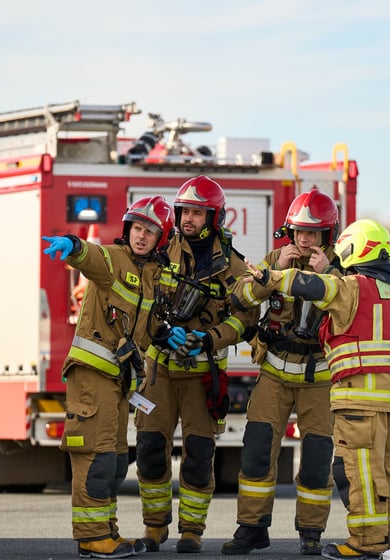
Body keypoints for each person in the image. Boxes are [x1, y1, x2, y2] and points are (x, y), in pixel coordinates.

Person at [243, 218, 390, 560]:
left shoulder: (353, 285)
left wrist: (271, 276)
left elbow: (308, 286)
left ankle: (366, 542)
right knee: (389, 469)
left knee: (359, 470)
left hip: (358, 396)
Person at [43, 196, 175, 559]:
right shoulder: (114, 260)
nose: (142, 236)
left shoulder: (153, 275)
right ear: (127, 229)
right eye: (137, 228)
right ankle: (91, 537)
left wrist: (160, 333)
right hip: (93, 376)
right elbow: (90, 256)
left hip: (119, 381)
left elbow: (143, 326)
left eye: (150, 231)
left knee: (116, 460)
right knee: (96, 456)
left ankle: (107, 532)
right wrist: (72, 244)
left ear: (160, 239)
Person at [133, 175, 259, 554]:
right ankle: (154, 527)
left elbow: (246, 319)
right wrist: (156, 331)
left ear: (214, 217)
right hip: (157, 370)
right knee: (150, 448)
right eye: (185, 211)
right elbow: (139, 297)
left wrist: (211, 338)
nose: (188, 219)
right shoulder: (162, 250)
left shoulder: (232, 266)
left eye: (198, 213)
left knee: (198, 456)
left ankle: (192, 531)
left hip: (203, 375)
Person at [221, 189, 341, 556]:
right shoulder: (275, 259)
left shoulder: (340, 269)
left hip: (318, 378)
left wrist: (328, 275)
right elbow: (239, 297)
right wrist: (273, 276)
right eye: (299, 232)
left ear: (327, 236)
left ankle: (311, 532)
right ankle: (252, 528)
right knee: (257, 451)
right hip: (274, 372)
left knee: (318, 460)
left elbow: (350, 309)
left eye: (313, 233)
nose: (304, 240)